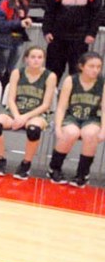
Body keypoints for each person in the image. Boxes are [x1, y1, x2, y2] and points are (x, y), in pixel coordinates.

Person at [0, 45, 56, 179]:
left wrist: (24, 117)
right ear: (26, 59)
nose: (36, 60)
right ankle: (1, 160)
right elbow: (11, 99)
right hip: (15, 111)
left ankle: (26, 164)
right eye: (33, 57)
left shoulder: (50, 76)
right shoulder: (17, 73)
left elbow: (46, 105)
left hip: (37, 113)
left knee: (33, 129)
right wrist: (17, 116)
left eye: (40, 57)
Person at [48, 52, 105, 187]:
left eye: (98, 67)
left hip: (92, 118)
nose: (95, 70)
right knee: (70, 133)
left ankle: (82, 174)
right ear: (81, 66)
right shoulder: (71, 80)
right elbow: (61, 107)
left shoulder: (102, 83)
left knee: (90, 134)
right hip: (72, 116)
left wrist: (103, 129)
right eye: (91, 66)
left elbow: (104, 108)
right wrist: (57, 127)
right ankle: (54, 168)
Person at [42, 0, 101, 80]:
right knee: (53, 70)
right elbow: (49, 12)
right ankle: (51, 95)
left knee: (76, 71)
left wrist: (91, 33)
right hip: (58, 38)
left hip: (79, 38)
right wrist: (47, 31)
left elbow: (96, 15)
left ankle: (73, 97)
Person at [0, 0, 33, 85]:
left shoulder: (23, 3)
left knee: (12, 67)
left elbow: (23, 17)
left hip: (18, 38)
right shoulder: (3, 4)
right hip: (4, 40)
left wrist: (27, 20)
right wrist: (19, 23)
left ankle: (8, 88)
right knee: (1, 66)